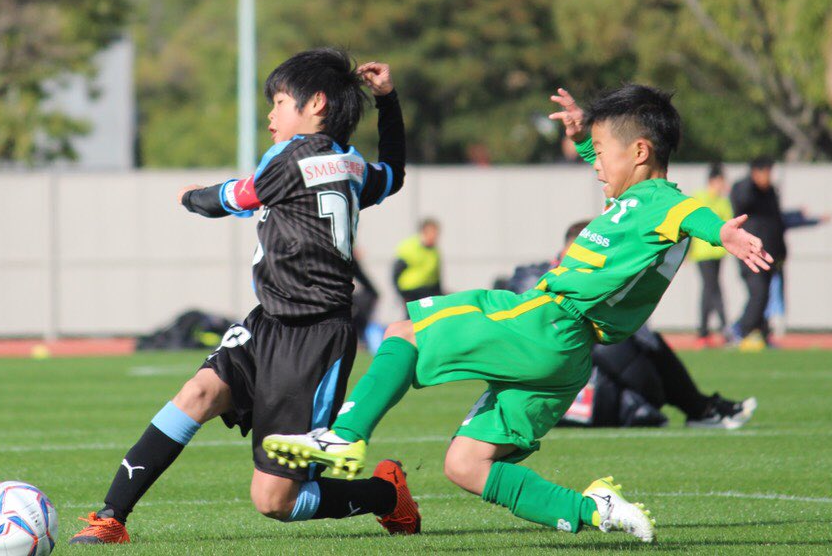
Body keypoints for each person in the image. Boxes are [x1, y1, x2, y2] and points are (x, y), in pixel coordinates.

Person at [262, 84, 773, 543]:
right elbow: (643, 192)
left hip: (546, 321)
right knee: (467, 464)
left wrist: (722, 232)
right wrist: (584, 137)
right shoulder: (638, 199)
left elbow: (689, 214)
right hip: (569, 356)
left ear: (640, 152)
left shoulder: (661, 201)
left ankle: (344, 437)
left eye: (601, 153)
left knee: (406, 331)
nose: (595, 164)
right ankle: (594, 510)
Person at [70, 51, 416, 545]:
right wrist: (388, 101)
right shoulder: (353, 164)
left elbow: (237, 197)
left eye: (279, 102)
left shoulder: (292, 155)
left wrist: (191, 197)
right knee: (197, 393)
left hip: (313, 343)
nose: (271, 116)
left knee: (275, 501)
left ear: (316, 104)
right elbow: (394, 174)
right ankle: (111, 517)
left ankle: (385, 494)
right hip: (267, 322)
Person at [510, 221, 755, 431]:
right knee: (614, 346)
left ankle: (699, 407)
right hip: (549, 388)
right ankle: (699, 408)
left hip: (569, 383)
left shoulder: (584, 280)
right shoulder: (538, 280)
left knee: (639, 342)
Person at [729, 158, 829, 347]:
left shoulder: (770, 192)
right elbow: (742, 202)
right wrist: (753, 183)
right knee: (758, 293)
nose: (769, 177)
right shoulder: (744, 189)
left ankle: (761, 333)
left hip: (771, 254)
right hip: (750, 253)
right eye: (766, 172)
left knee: (765, 295)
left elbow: (778, 219)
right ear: (755, 172)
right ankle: (741, 331)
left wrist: (806, 218)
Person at [689, 163, 733, 347]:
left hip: (718, 253)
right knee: (712, 290)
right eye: (722, 180)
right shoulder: (699, 197)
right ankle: (721, 330)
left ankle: (706, 331)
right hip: (703, 253)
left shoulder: (723, 201)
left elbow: (729, 223)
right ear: (714, 180)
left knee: (711, 290)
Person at [391, 218, 442, 314]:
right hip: (410, 291)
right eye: (432, 233)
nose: (435, 236)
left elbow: (436, 277)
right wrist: (399, 294)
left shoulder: (434, 252)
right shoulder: (410, 247)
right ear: (424, 232)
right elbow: (396, 272)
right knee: (413, 317)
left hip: (427, 291)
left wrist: (440, 296)